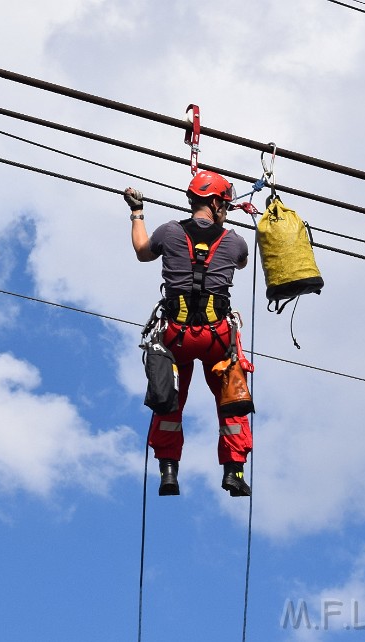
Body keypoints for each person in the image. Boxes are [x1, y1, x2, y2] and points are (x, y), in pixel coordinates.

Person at [125, 170, 253, 497]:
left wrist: (137, 212)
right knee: (230, 402)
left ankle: (169, 470)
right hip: (218, 338)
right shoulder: (234, 241)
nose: (226, 209)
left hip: (177, 335)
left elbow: (142, 250)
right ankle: (234, 471)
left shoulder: (169, 232)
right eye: (224, 204)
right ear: (214, 202)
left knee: (169, 404)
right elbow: (241, 263)